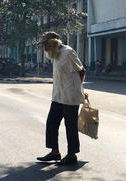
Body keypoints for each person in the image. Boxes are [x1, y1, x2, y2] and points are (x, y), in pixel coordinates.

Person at [36, 31, 87, 165]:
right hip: (58, 96)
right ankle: (55, 152)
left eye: (45, 45)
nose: (44, 48)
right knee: (51, 122)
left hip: (70, 97)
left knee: (70, 126)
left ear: (53, 43)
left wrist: (80, 89)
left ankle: (71, 155)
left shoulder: (68, 52)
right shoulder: (55, 54)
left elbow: (82, 70)